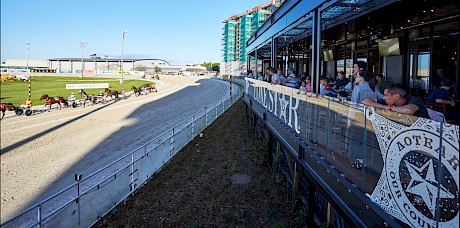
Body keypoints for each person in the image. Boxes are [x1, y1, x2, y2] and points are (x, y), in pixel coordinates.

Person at [362, 85, 429, 119]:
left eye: (386, 95)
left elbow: (408, 110)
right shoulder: (389, 102)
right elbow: (366, 101)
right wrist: (385, 107)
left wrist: (390, 108)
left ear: (396, 96)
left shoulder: (414, 100)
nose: (384, 98)